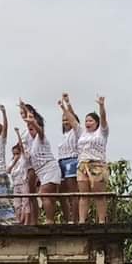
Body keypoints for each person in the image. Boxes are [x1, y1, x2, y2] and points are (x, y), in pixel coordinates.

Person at [63, 95, 110, 224]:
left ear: (96, 123)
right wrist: (65, 106)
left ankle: (101, 221)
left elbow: (104, 119)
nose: (88, 123)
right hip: (83, 165)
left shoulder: (102, 132)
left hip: (97, 165)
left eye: (90, 121)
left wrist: (101, 105)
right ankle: (82, 220)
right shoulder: (82, 133)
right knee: (84, 195)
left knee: (99, 195)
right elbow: (72, 120)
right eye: (86, 121)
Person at [19, 99, 61, 224]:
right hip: (40, 171)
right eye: (29, 129)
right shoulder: (31, 145)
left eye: (32, 129)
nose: (30, 131)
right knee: (47, 197)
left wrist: (32, 121)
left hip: (49, 168)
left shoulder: (41, 138)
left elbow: (40, 130)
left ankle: (49, 221)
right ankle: (48, 220)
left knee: (44, 194)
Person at [57, 93, 80, 224]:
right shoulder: (64, 135)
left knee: (73, 192)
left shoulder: (76, 132)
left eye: (67, 120)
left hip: (72, 160)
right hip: (61, 162)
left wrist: (66, 104)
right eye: (63, 121)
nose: (66, 122)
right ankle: (67, 217)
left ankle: (74, 219)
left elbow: (73, 118)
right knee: (61, 192)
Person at [7, 130, 31, 224]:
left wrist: (18, 134)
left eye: (17, 153)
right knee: (17, 204)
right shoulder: (12, 161)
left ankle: (26, 222)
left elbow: (22, 147)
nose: (15, 155)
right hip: (16, 185)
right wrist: (14, 161)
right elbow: (8, 170)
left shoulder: (23, 159)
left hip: (23, 182)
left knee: (25, 203)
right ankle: (18, 220)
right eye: (14, 153)